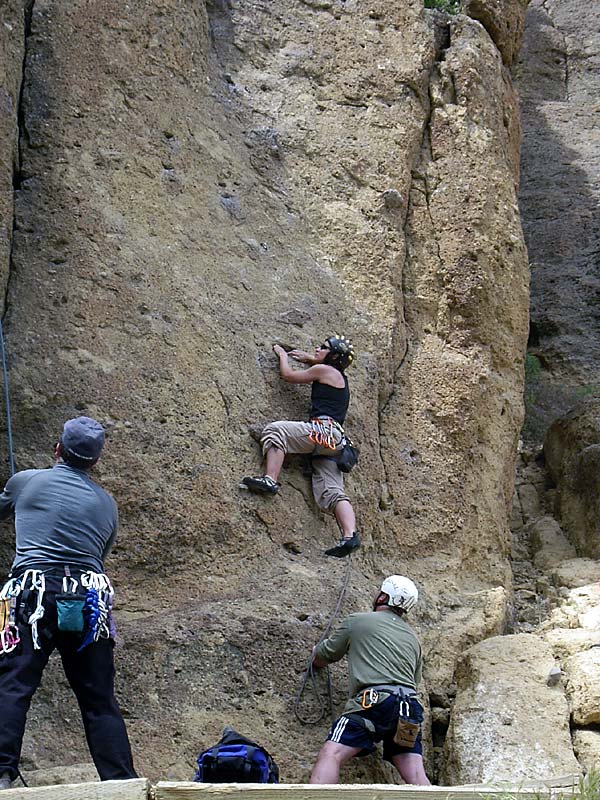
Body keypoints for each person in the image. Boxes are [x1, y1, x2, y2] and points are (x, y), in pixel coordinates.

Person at [0, 417, 137, 790]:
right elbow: (100, 554)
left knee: (13, 684)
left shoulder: (26, 481)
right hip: (89, 597)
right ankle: (121, 785)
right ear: (95, 462)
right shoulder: (107, 504)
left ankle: (0, 773)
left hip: (33, 591)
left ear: (57, 449)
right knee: (98, 698)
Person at [242, 335, 360, 558]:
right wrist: (310, 358)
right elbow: (322, 367)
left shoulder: (325, 371)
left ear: (332, 357)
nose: (317, 348)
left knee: (277, 430)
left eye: (323, 348)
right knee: (333, 491)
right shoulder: (337, 376)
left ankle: (270, 480)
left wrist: (283, 356)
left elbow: (288, 376)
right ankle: (349, 534)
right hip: (335, 443)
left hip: (322, 432)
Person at [309, 575, 430, 786]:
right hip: (409, 709)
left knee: (332, 754)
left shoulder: (358, 621)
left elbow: (323, 656)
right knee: (415, 772)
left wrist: (314, 654)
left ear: (383, 596)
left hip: (373, 702)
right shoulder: (413, 639)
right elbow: (414, 680)